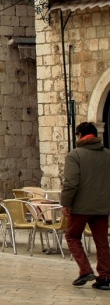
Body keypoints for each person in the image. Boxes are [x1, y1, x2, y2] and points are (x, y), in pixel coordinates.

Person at [61, 122, 110, 288]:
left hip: (80, 206)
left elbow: (71, 183)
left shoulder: (75, 155)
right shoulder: (107, 154)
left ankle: (85, 270)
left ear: (80, 135)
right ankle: (105, 277)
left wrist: (66, 203)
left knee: (72, 236)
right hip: (102, 206)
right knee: (102, 241)